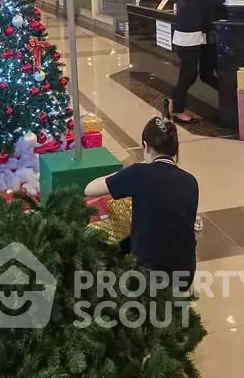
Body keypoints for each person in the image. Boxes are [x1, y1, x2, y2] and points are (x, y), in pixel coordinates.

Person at [85, 115, 199, 290]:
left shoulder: (138, 173)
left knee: (116, 242)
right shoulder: (191, 181)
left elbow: (90, 189)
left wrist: (126, 173)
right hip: (184, 274)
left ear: (145, 146)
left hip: (147, 275)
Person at [167, 0, 225, 123]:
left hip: (182, 41)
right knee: (188, 76)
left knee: (188, 75)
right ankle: (178, 110)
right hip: (189, 42)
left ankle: (174, 102)